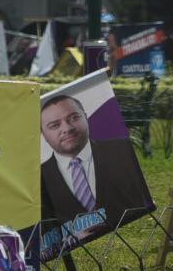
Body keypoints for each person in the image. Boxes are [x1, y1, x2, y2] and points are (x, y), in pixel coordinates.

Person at [38, 93, 151, 235]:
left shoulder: (121, 151)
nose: (67, 128)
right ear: (43, 134)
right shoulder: (39, 177)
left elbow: (140, 200)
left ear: (85, 117)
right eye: (54, 125)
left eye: (74, 118)